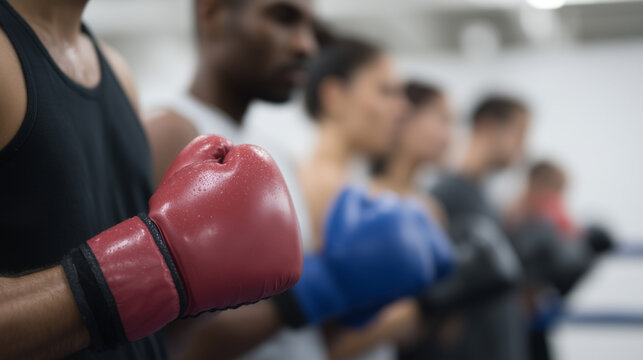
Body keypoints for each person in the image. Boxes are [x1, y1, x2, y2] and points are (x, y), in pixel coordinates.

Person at [0, 0, 305, 359]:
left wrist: (189, 282)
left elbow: (137, 331)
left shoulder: (116, 71)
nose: (306, 45)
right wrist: (151, 265)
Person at [167, 35, 452, 360]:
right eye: (385, 91)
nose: (401, 108)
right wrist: (427, 305)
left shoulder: (352, 187)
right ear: (335, 96)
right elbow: (322, 340)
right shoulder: (313, 186)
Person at [327, 81, 456, 360]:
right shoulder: (360, 197)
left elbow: (427, 332)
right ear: (404, 119)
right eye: (441, 119)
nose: (450, 134)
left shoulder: (432, 208)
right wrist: (424, 306)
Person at [419, 95, 529, 360]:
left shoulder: (484, 196)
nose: (523, 147)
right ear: (489, 126)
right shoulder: (446, 194)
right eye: (519, 134)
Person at [505, 160, 614, 360]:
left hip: (528, 319)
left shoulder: (518, 217)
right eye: (557, 193)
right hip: (516, 320)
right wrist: (586, 246)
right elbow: (567, 269)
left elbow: (563, 279)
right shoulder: (534, 221)